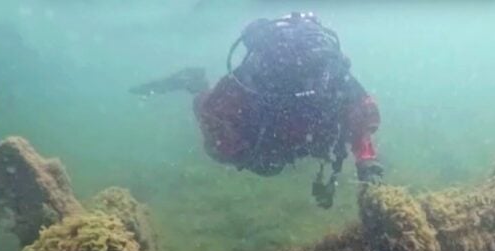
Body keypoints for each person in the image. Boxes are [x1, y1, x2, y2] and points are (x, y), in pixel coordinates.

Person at [130, 12, 383, 208]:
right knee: (239, 157)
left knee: (263, 163)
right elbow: (215, 112)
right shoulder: (260, 73)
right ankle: (195, 83)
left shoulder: (332, 70)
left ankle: (201, 90)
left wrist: (367, 162)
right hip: (270, 133)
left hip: (292, 136)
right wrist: (240, 149)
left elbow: (360, 119)